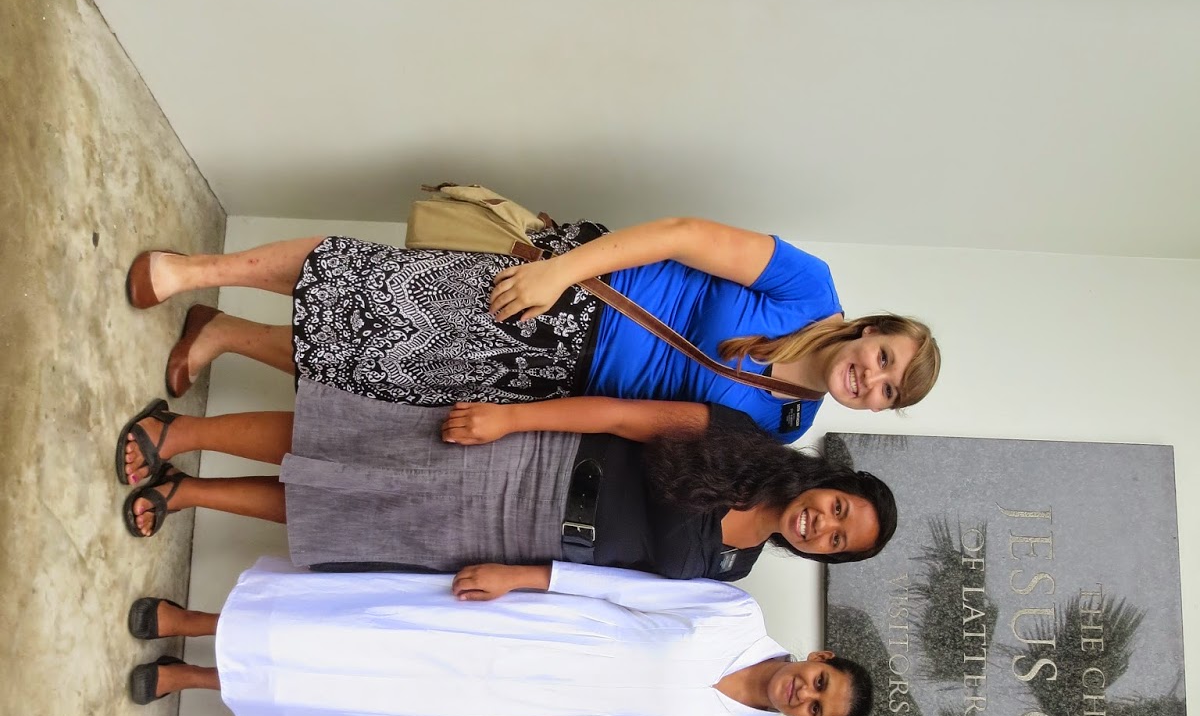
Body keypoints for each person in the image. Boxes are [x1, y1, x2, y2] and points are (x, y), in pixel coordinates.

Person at [125, 216, 940, 447]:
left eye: (886, 391)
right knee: (364, 281)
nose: (870, 379)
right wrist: (560, 272)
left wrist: (528, 423)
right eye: (883, 358)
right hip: (573, 296)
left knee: (368, 361)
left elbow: (653, 428)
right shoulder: (808, 289)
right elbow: (683, 236)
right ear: (870, 329)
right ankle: (196, 272)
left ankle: (222, 333)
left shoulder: (788, 424)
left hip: (552, 379)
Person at [124, 561, 874, 716]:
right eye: (819, 683)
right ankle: (192, 622)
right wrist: (521, 576)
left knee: (366, 693)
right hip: (533, 631)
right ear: (821, 656)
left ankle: (192, 678)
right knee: (362, 635)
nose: (802, 695)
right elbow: (625, 588)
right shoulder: (737, 613)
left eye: (815, 710)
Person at [116, 390, 897, 579]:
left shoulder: (733, 570)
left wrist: (519, 577)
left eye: (837, 540)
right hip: (538, 461)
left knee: (346, 513)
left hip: (521, 539)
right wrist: (510, 421)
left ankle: (187, 493)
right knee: (346, 443)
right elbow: (625, 418)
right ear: (830, 481)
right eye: (839, 509)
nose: (822, 526)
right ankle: (181, 433)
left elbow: (615, 592)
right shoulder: (744, 439)